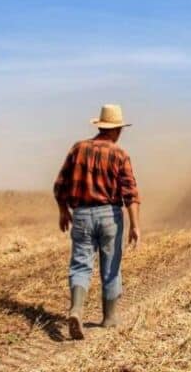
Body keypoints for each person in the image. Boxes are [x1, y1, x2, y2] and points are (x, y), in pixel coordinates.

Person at [53, 103, 141, 340]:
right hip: (110, 215)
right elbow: (130, 193)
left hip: (81, 214)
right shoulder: (120, 154)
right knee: (111, 267)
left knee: (81, 264)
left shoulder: (78, 148)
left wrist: (63, 211)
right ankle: (110, 318)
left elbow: (59, 185)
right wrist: (135, 225)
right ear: (115, 130)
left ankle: (76, 310)